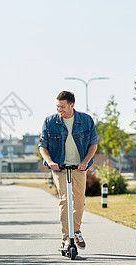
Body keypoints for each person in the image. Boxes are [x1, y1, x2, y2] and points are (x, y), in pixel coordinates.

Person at [38, 91, 98, 251]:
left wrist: (85, 162)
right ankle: (66, 237)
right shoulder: (50, 121)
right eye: (57, 106)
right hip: (59, 167)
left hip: (79, 167)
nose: (59, 110)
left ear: (72, 105)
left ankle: (75, 230)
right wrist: (50, 162)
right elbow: (42, 145)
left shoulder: (85, 120)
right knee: (65, 199)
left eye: (62, 107)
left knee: (79, 200)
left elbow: (93, 144)